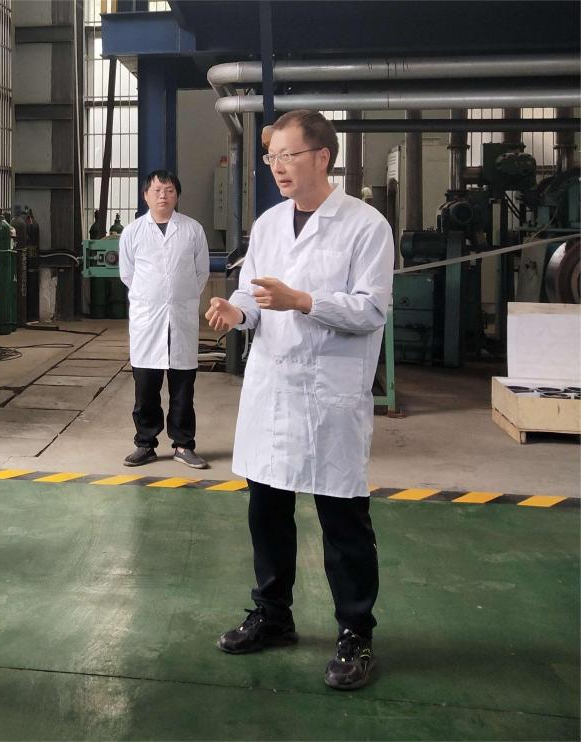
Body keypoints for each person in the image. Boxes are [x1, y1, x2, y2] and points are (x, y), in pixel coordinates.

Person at [206, 110, 394, 691]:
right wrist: (237, 311)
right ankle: (273, 615)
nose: (278, 168)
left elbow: (371, 310)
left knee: (342, 519)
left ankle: (356, 633)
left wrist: (304, 301)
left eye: (288, 155)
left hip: (329, 392)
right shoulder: (268, 224)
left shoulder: (365, 225)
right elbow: (254, 293)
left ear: (322, 157)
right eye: (272, 158)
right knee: (266, 510)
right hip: (273, 389)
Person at [118, 170, 210, 470]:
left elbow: (201, 272)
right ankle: (145, 444)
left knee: (183, 386)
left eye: (169, 190)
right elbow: (128, 274)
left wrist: (179, 297)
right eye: (157, 190)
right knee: (146, 386)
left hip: (180, 318)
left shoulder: (192, 229)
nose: (163, 196)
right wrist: (154, 296)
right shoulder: (133, 232)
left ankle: (184, 444)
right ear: (145, 195)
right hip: (147, 320)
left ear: (177, 195)